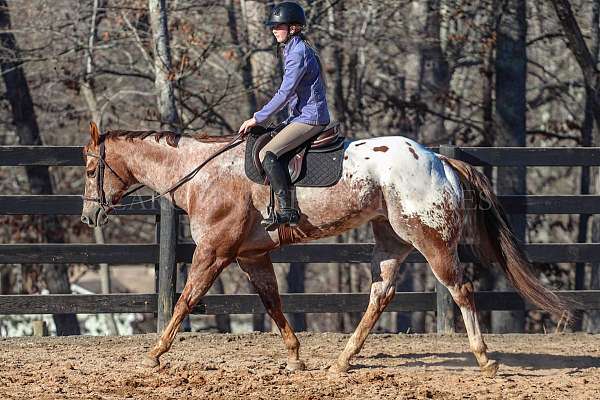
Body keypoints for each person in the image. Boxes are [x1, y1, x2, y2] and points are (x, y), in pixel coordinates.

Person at [239, 1, 330, 231]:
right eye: (273, 26)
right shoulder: (292, 49)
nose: (273, 30)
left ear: (293, 28)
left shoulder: (297, 53)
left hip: (310, 118)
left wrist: (257, 118)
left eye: (278, 26)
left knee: (267, 153)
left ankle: (287, 210)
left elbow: (285, 92)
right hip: (299, 116)